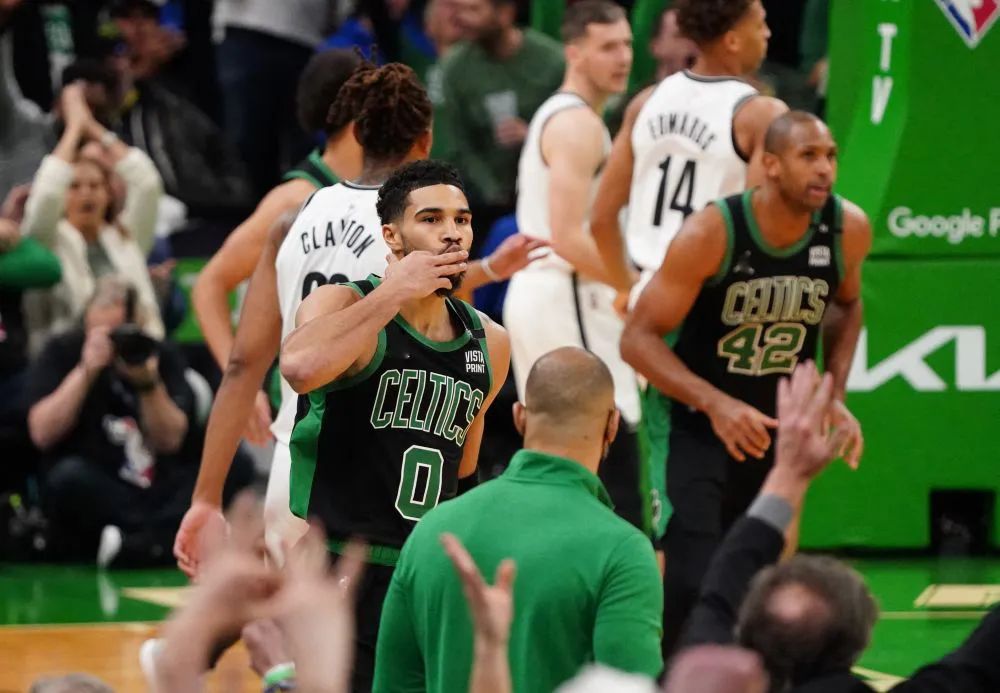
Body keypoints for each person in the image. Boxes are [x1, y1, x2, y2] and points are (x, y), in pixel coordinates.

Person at [174, 62, 540, 575]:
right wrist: (488, 272)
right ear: (426, 138)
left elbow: (242, 364)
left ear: (357, 134)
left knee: (299, 623)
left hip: (291, 461)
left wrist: (205, 497)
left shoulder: (292, 214)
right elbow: (431, 314)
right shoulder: (405, 225)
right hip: (366, 473)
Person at [620, 110, 870, 655]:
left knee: (766, 584)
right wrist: (716, 404)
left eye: (830, 156)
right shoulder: (712, 232)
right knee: (692, 577)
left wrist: (833, 392)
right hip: (694, 420)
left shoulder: (846, 228)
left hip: (772, 425)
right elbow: (636, 340)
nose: (825, 169)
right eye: (809, 156)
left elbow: (847, 305)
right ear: (771, 165)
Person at [277, 159, 510, 691]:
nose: (452, 232)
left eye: (462, 219)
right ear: (392, 235)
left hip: (426, 570)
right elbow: (299, 367)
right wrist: (393, 293)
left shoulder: (489, 341)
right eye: (431, 219)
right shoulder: (343, 302)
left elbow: (464, 471)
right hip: (343, 564)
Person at [592, 0, 788, 554]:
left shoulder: (647, 101)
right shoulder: (759, 113)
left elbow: (601, 217)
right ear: (733, 38)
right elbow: (764, 226)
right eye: (759, 22)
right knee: (755, 485)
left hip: (655, 301)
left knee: (674, 482)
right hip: (720, 303)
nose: (768, 32)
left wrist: (627, 287)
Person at [682, 362, 1000, 693]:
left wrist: (789, 473)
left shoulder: (700, 679)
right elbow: (978, 664)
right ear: (859, 641)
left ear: (746, 628)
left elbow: (723, 585)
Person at [374, 347, 662, 692]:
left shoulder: (432, 530)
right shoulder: (623, 551)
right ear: (612, 425)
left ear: (520, 416)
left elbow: (392, 685)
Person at [503, 1, 645, 529]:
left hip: (554, 295)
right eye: (608, 46)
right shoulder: (576, 124)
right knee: (605, 448)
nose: (623, 57)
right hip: (565, 296)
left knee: (559, 452)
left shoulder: (573, 118)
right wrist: (633, 286)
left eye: (627, 44)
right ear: (574, 52)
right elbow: (567, 236)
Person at [191, 48, 363, 447]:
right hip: (301, 408)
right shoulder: (296, 197)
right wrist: (240, 384)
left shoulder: (388, 188)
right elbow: (210, 283)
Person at [24, 277, 239, 566]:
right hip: (100, 482)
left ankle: (134, 544)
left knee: (231, 466)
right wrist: (86, 371)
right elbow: (41, 433)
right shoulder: (63, 351)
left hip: (156, 485)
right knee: (67, 478)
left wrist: (147, 383)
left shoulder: (157, 355)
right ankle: (159, 542)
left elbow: (171, 441)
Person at [19, 80, 164, 352]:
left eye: (95, 186)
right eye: (74, 186)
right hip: (66, 360)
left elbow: (147, 183)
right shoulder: (45, 241)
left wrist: (93, 127)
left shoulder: (126, 237)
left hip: (137, 356)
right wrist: (75, 129)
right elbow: (47, 193)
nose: (86, 194)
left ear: (108, 194)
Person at [437, 0, 565, 243]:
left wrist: (533, 135)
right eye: (461, 9)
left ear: (505, 12)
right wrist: (491, 191)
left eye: (474, 10)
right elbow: (458, 144)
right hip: (481, 205)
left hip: (547, 194)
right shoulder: (455, 68)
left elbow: (571, 125)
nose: (463, 18)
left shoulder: (552, 61)